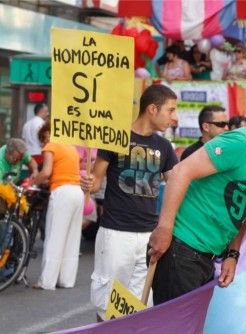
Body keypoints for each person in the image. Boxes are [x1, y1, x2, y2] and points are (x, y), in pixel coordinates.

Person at [147, 85, 246, 304]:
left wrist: (233, 255)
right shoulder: (241, 142)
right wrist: (164, 228)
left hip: (206, 258)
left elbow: (243, 210)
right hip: (181, 250)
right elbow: (179, 172)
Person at [80, 84, 178, 321]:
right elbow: (95, 183)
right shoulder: (116, 137)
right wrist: (87, 182)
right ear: (152, 109)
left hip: (149, 236)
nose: (174, 118)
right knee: (107, 302)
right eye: (171, 110)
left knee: (139, 304)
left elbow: (176, 184)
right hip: (116, 233)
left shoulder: (164, 147)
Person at [32, 121, 84, 290]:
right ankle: (66, 280)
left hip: (62, 193)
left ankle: (47, 281)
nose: (42, 143)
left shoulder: (51, 146)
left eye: (42, 138)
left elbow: (46, 172)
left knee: (55, 236)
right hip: (77, 192)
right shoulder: (70, 147)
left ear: (48, 133)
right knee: (72, 238)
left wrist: (34, 181)